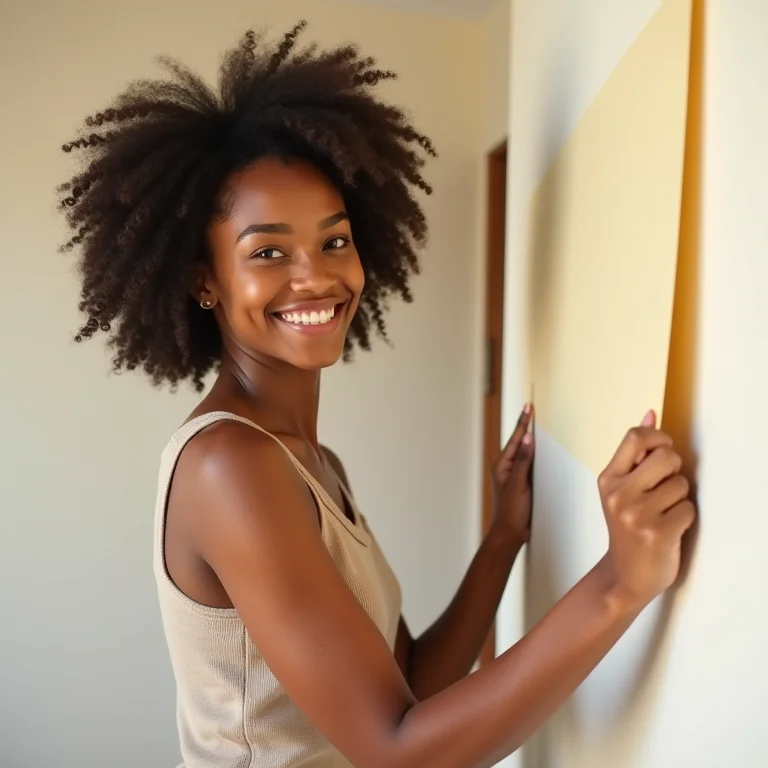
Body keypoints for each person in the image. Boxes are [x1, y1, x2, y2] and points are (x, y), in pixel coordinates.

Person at [57, 21, 696, 768]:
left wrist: (503, 538)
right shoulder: (228, 466)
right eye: (268, 252)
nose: (316, 277)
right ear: (205, 281)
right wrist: (620, 583)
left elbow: (409, 687)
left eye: (334, 240)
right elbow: (398, 749)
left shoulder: (310, 463)